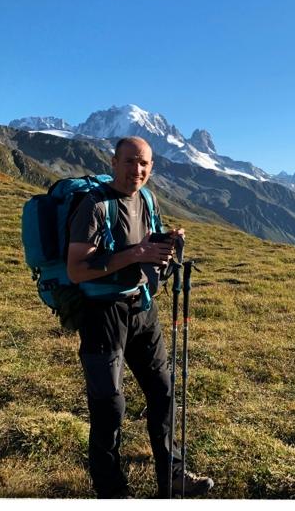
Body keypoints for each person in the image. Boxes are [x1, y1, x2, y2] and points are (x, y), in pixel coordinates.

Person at [66, 136, 214, 499]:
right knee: (109, 407)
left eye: (144, 163)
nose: (138, 170)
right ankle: (113, 494)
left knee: (163, 392)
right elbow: (77, 269)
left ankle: (172, 476)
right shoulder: (95, 205)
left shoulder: (147, 198)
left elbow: (144, 241)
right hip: (103, 314)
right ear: (114, 162)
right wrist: (135, 255)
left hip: (142, 307)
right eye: (130, 161)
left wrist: (164, 242)